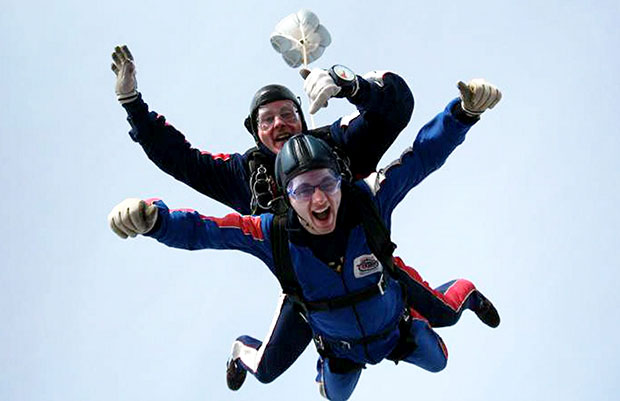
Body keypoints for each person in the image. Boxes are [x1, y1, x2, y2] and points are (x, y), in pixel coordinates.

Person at [110, 45, 501, 390]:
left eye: (287, 114)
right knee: (267, 370)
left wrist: (350, 84)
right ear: (255, 132)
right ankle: (269, 353)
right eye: (267, 120)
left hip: (366, 261)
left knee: (443, 323)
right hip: (308, 282)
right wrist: (134, 111)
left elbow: (401, 124)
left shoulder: (337, 145)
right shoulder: (252, 189)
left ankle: (443, 303)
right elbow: (192, 190)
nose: (316, 197)